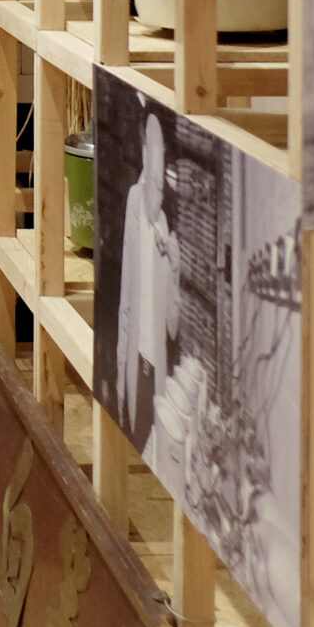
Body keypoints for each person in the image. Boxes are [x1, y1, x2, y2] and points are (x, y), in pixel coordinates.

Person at [115, 111, 176, 449]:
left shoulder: (165, 225)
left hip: (156, 372)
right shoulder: (135, 202)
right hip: (137, 363)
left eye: (161, 153)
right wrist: (121, 365)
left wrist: (175, 268)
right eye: (153, 151)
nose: (159, 171)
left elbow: (172, 326)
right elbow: (127, 293)